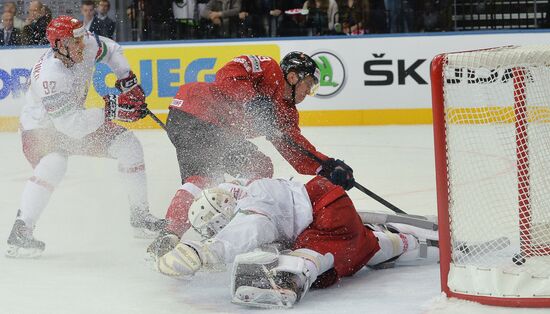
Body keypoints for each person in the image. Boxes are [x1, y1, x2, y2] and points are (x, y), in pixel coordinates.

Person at [146, 52, 355, 257]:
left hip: (215, 130)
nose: (308, 92)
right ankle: (174, 232)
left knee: (254, 167)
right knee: (208, 176)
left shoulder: (286, 111)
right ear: (293, 76)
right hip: (197, 109)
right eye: (308, 84)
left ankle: (227, 218)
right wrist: (252, 100)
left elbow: (295, 149)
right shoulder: (269, 68)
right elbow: (227, 74)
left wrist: (327, 166)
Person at [6, 16, 165, 258]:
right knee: (54, 162)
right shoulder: (51, 77)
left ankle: (140, 216)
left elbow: (112, 49)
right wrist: (113, 109)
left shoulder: (83, 44)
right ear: (59, 45)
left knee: (128, 146)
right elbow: (72, 128)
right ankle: (21, 231)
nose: (83, 45)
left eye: (81, 38)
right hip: (40, 129)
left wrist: (127, 83)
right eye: (75, 41)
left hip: (71, 120)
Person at [153, 176, 439, 308]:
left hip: (327, 220)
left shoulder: (253, 211)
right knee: (363, 248)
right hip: (326, 208)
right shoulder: (240, 190)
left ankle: (412, 243)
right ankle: (416, 242)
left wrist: (202, 252)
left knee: (300, 266)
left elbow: (251, 228)